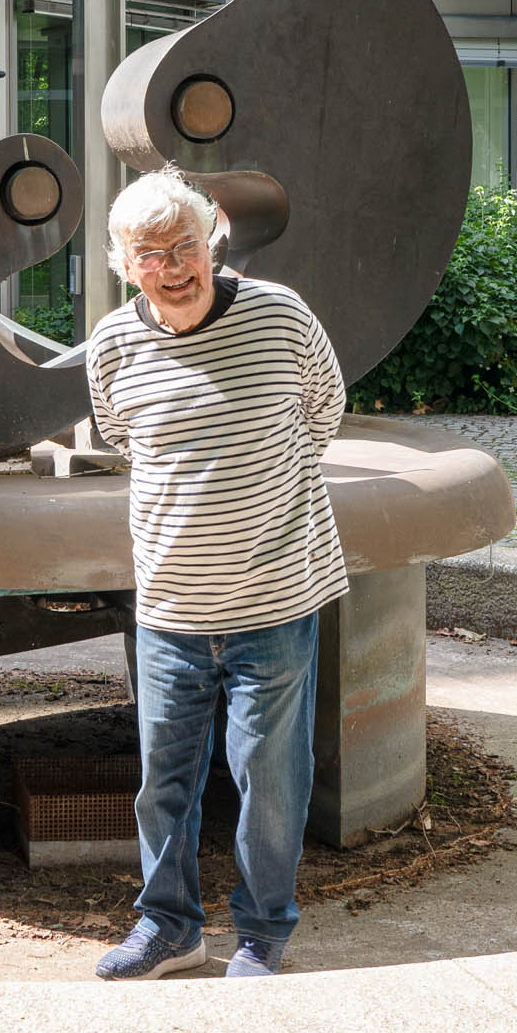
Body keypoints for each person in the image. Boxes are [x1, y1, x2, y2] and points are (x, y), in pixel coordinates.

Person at [83, 169, 348, 980]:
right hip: (169, 606)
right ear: (123, 264)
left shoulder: (279, 315)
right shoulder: (111, 344)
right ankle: (169, 929)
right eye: (149, 253)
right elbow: (124, 438)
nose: (172, 266)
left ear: (214, 242)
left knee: (269, 782)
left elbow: (322, 412)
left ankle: (263, 934)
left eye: (185, 246)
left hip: (275, 600)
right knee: (163, 783)